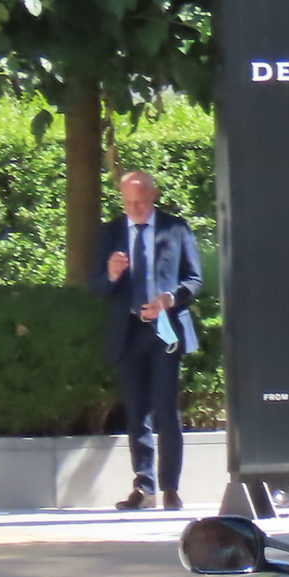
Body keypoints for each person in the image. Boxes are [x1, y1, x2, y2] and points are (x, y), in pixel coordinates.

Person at [86, 169, 201, 511]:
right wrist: (110, 274)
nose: (134, 208)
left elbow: (194, 280)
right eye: (127, 202)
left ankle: (170, 488)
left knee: (165, 408)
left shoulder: (175, 228)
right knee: (136, 412)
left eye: (140, 201)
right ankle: (144, 486)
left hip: (165, 329)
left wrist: (170, 298)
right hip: (129, 330)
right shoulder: (110, 233)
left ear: (153, 196)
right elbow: (94, 286)